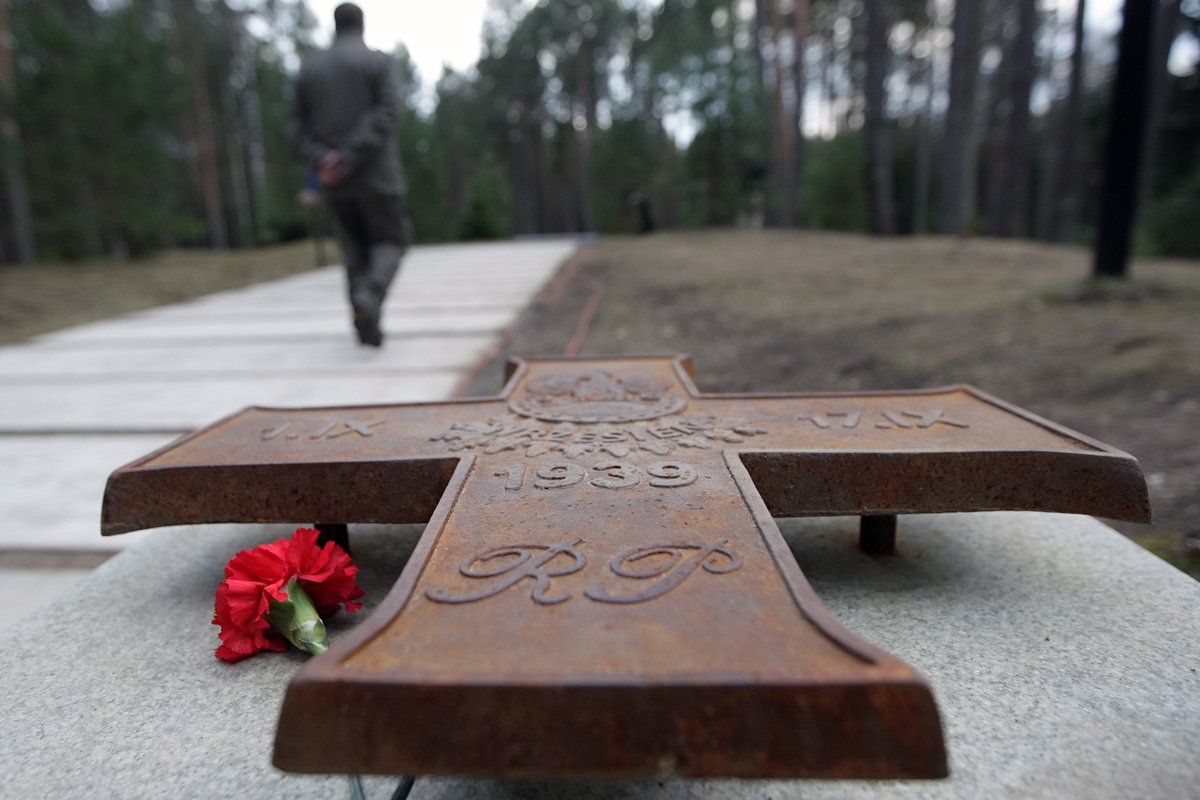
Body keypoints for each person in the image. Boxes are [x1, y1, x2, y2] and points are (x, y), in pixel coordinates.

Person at [287, 2, 409, 347]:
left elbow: (294, 128)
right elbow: (387, 112)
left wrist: (323, 159)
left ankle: (365, 326)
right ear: (362, 26)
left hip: (334, 183)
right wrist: (349, 156)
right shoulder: (377, 62)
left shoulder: (309, 69)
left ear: (335, 26)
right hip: (377, 177)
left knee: (355, 252)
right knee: (392, 241)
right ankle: (370, 295)